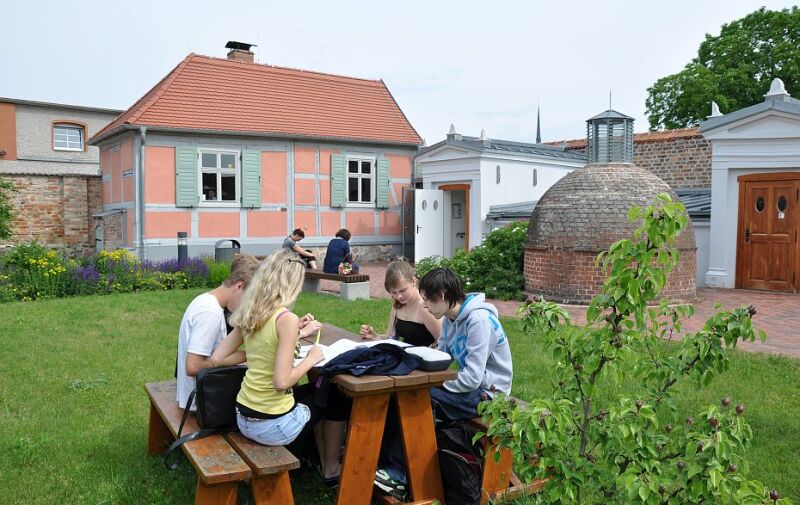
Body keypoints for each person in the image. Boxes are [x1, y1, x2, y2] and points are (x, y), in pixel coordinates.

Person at [374, 266, 513, 498]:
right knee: (404, 392)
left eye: (428, 300)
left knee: (420, 397)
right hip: (469, 387)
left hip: (490, 395)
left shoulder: (478, 321)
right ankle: (386, 462)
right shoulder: (449, 318)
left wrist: (432, 384)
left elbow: (472, 378)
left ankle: (400, 475)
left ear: (442, 296)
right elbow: (442, 357)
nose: (425, 306)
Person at [210, 249, 344, 483]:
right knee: (334, 398)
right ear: (291, 284)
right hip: (271, 425)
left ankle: (315, 458)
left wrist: (260, 354)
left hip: (244, 416)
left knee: (317, 392)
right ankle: (331, 469)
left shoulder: (252, 312)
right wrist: (311, 359)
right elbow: (281, 382)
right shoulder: (286, 319)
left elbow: (217, 358)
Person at [176, 253, 260, 410]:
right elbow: (193, 367)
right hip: (203, 404)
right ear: (239, 286)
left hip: (203, 394)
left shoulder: (206, 300)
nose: (248, 305)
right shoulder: (210, 313)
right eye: (249, 298)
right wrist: (251, 355)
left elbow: (215, 353)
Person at [359, 257, 440, 347]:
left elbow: (443, 343)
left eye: (402, 290)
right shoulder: (398, 305)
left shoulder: (425, 307)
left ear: (413, 281)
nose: (399, 296)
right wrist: (373, 336)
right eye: (394, 292)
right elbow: (390, 338)